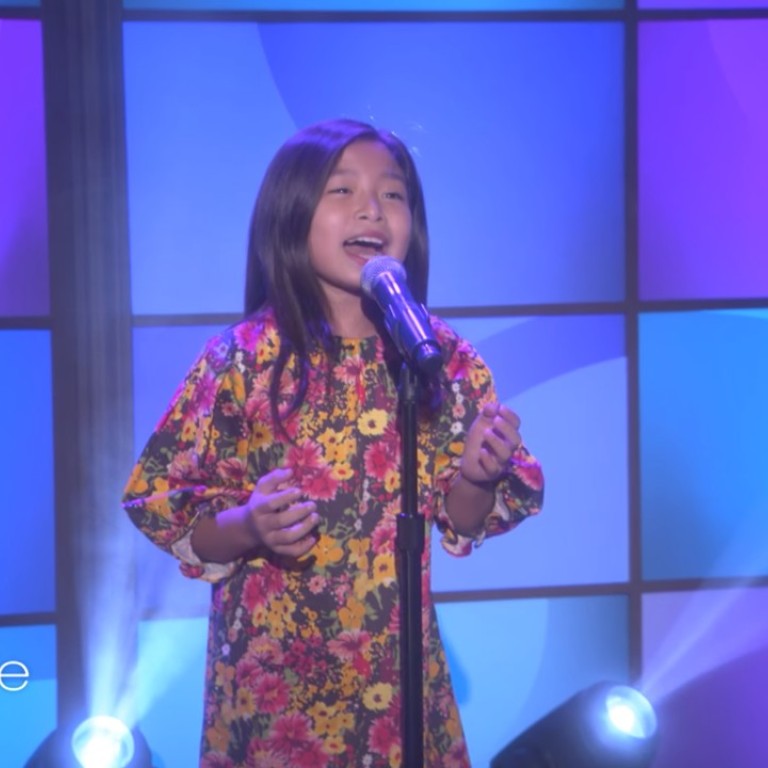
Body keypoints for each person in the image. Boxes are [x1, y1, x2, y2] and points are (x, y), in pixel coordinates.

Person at [122, 117, 544, 768]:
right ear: (290, 214)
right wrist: (249, 525)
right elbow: (169, 509)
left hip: (397, 687)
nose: (372, 209)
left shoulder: (436, 356)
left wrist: (478, 477)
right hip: (272, 693)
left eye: (393, 193)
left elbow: (460, 520)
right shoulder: (243, 359)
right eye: (342, 190)